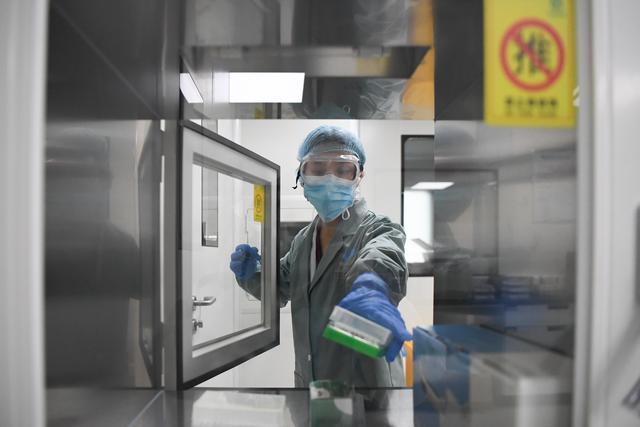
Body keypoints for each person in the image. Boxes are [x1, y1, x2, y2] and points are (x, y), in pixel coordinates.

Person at [229, 125, 411, 388]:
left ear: (359, 176)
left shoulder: (379, 229)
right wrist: (253, 273)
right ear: (302, 176)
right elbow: (280, 287)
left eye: (343, 169)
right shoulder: (303, 240)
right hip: (311, 382)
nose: (330, 179)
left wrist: (372, 287)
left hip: (366, 386)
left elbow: (383, 257)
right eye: (317, 168)